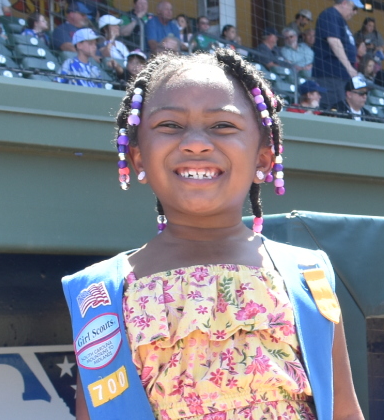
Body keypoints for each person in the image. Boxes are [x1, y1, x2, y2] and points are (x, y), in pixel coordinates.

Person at [65, 49, 363, 420]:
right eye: (170, 125)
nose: (195, 143)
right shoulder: (100, 293)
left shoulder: (307, 275)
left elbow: (344, 412)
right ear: (137, 157)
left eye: (222, 125)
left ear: (264, 158)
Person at [313, 0, 363, 108]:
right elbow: (334, 42)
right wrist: (350, 68)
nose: (355, 12)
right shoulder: (330, 14)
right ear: (344, 3)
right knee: (331, 112)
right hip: (330, 77)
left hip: (340, 78)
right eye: (354, 7)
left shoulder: (341, 20)